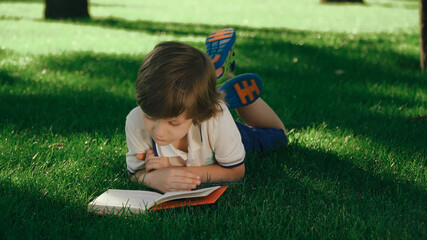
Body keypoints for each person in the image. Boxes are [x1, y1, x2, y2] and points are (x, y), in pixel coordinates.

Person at [126, 29, 288, 193]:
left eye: (174, 122)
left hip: (221, 130)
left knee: (280, 136)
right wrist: (153, 178)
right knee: (203, 100)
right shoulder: (135, 120)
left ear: (199, 112)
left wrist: (174, 173)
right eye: (150, 116)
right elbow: (134, 173)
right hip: (204, 117)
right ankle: (210, 87)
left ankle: (220, 88)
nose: (159, 131)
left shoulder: (216, 117)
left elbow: (236, 172)